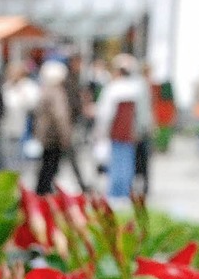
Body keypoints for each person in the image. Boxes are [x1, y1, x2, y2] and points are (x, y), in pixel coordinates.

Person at [94, 54, 151, 203]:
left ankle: (115, 192)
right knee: (127, 161)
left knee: (116, 161)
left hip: (116, 130)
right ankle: (125, 191)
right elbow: (143, 113)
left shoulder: (113, 88)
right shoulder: (137, 89)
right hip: (130, 131)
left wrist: (101, 131)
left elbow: (106, 113)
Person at [33, 60, 71, 195]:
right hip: (54, 136)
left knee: (45, 164)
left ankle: (41, 190)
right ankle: (44, 191)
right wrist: (65, 135)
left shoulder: (44, 90)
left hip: (44, 135)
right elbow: (60, 116)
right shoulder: (56, 92)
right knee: (51, 166)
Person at [0, 61, 39, 172]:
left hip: (23, 126)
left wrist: (22, 95)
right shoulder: (6, 87)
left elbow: (33, 104)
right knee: (7, 156)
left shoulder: (29, 86)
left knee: (20, 157)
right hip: (6, 126)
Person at [63, 54, 89, 192]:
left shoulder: (75, 78)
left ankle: (81, 183)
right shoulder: (68, 80)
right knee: (66, 155)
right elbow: (70, 103)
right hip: (67, 123)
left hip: (70, 122)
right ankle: (81, 183)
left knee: (68, 155)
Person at [134, 62, 156, 196]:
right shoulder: (142, 86)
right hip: (142, 130)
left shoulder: (141, 86)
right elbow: (143, 111)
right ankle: (144, 187)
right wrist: (146, 127)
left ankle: (142, 185)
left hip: (142, 128)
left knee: (141, 159)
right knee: (143, 159)